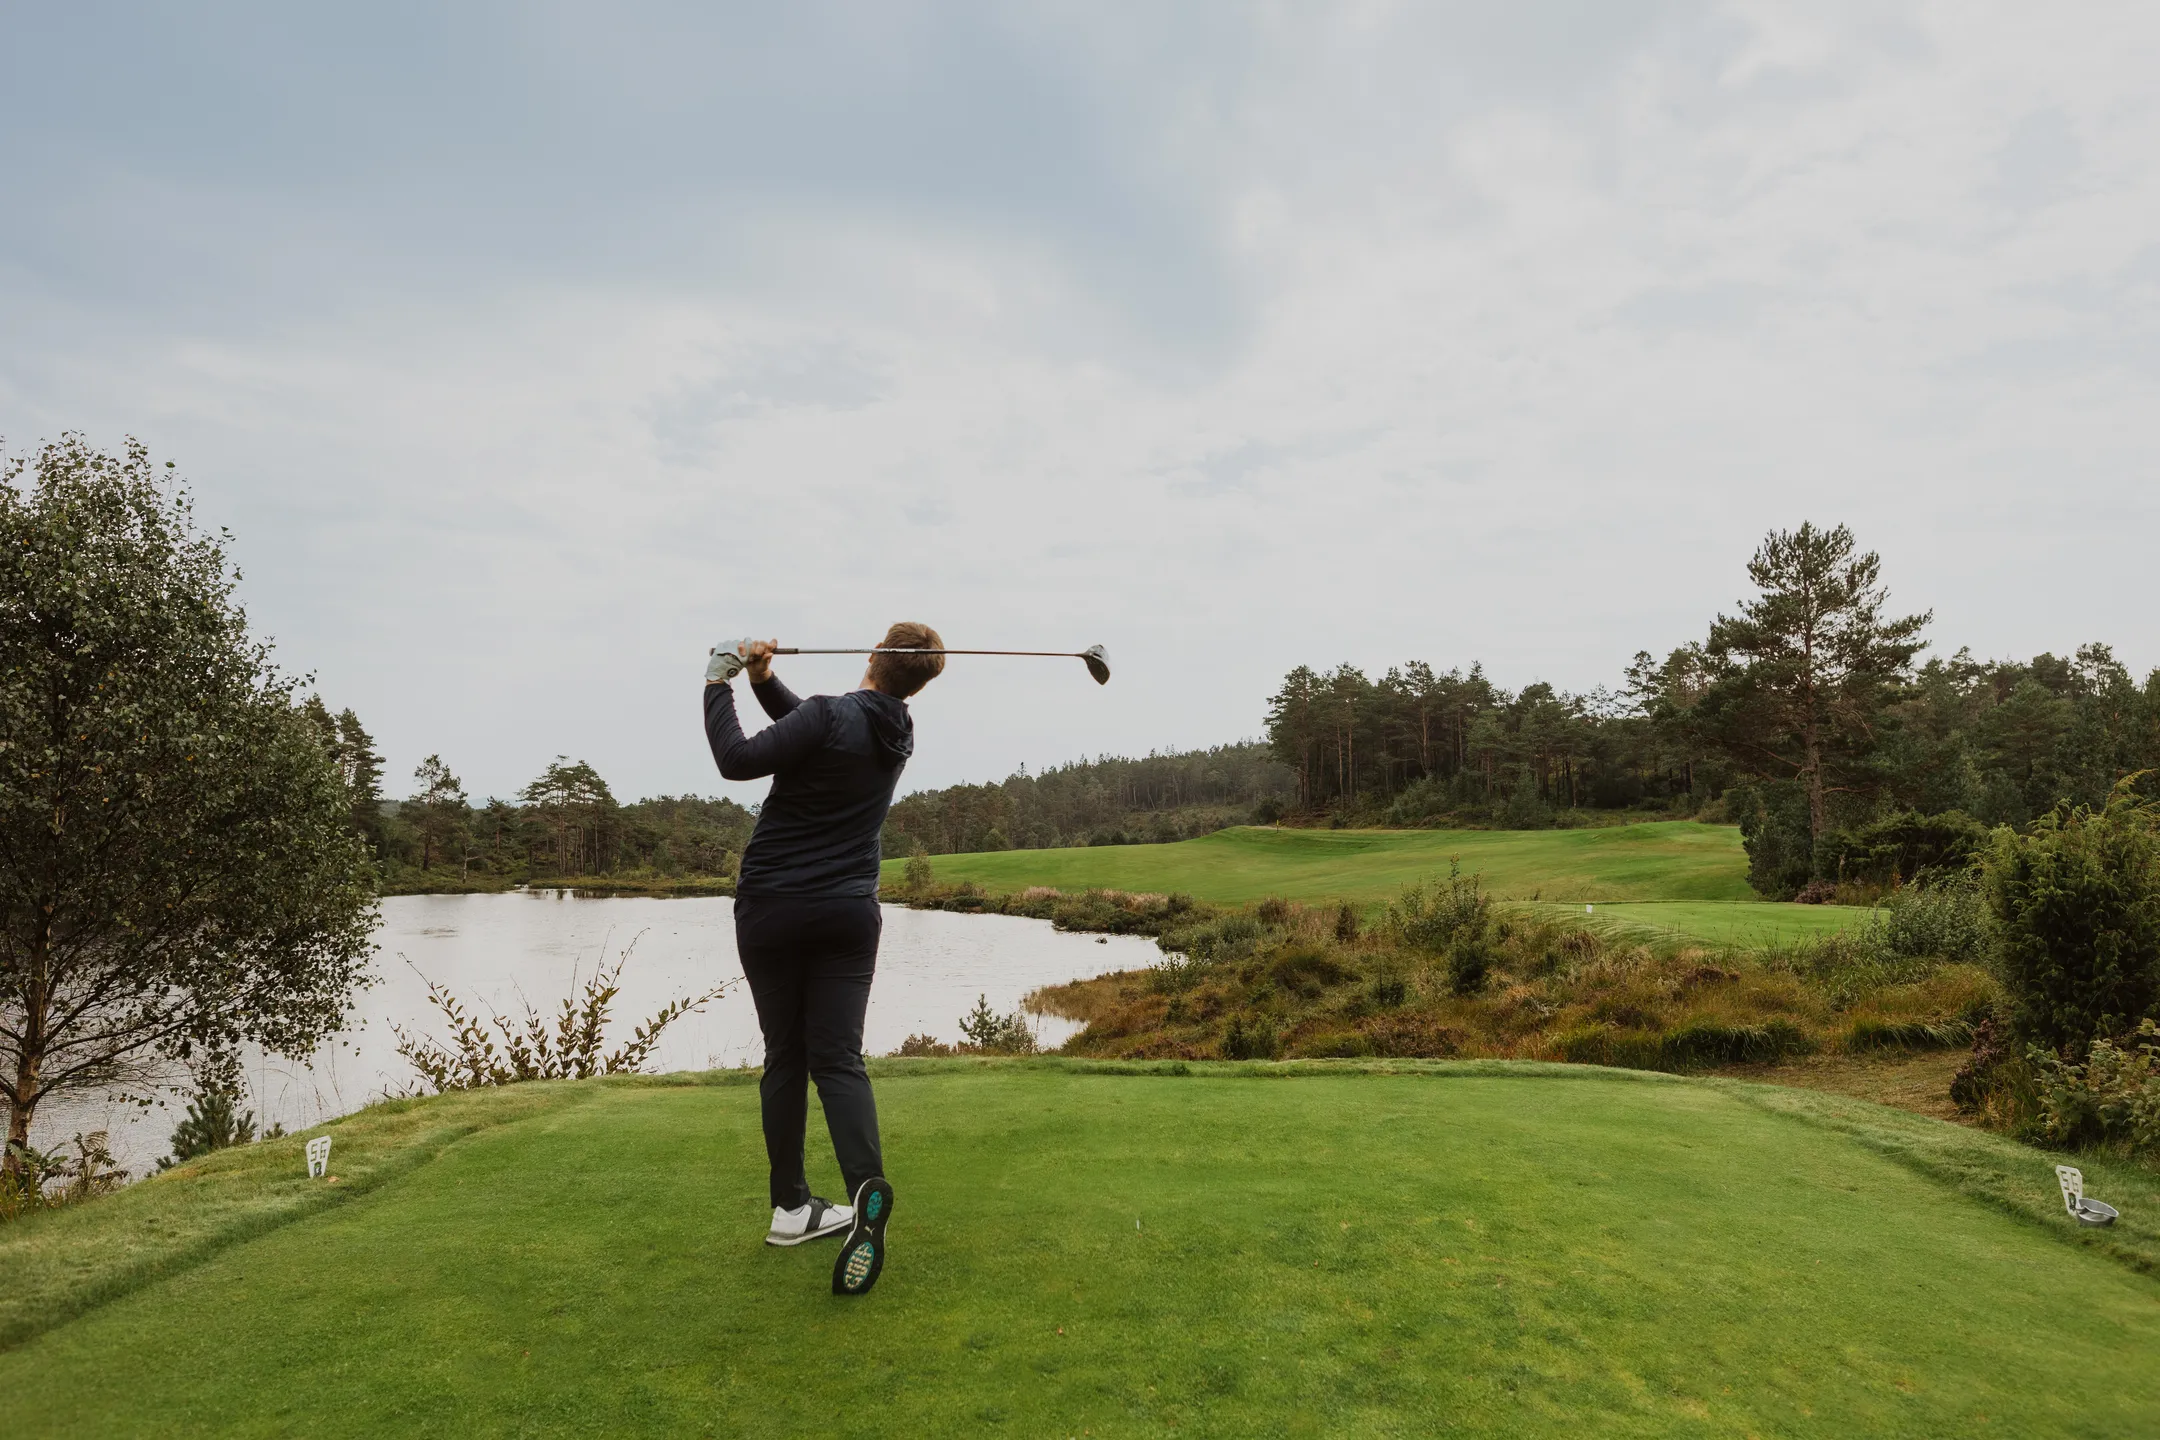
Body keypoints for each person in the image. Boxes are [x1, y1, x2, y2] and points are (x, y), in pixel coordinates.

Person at [703, 622, 945, 1297]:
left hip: (773, 907)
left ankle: (790, 1208)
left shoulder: (830, 716)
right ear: (916, 683)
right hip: (847, 914)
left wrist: (717, 680)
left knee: (786, 1056)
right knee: (837, 1057)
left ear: (873, 656)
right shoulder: (896, 731)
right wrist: (762, 682)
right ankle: (865, 1189)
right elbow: (813, 730)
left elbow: (739, 759)